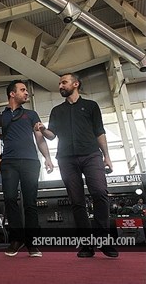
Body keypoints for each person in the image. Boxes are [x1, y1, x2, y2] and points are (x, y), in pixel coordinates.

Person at [35, 73, 118, 258]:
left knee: (100, 193)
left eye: (64, 82)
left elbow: (100, 132)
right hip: (66, 159)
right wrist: (42, 129)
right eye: (59, 83)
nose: (60, 86)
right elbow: (51, 135)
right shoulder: (57, 110)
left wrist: (107, 156)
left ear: (76, 84)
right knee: (77, 201)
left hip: (91, 155)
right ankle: (87, 245)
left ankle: (103, 240)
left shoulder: (91, 106)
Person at [0, 80, 54, 257]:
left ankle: (32, 242)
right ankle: (16, 239)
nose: (26, 93)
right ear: (12, 93)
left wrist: (47, 158)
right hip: (9, 163)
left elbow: (40, 139)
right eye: (23, 90)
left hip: (30, 162)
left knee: (30, 202)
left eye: (26, 90)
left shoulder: (31, 114)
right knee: (10, 199)